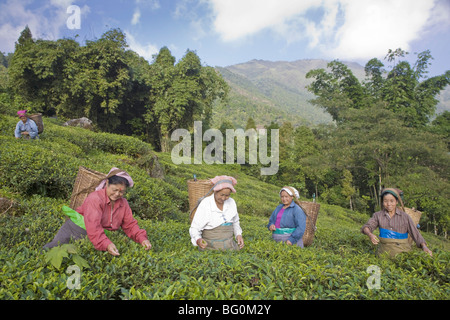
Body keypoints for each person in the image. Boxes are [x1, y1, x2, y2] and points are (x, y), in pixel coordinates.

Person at [43, 167, 151, 256]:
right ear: (107, 183)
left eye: (122, 191)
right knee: (53, 250)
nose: (118, 194)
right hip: (75, 229)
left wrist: (142, 239)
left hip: (96, 236)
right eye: (115, 190)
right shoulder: (95, 198)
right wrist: (106, 244)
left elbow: (130, 225)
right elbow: (93, 225)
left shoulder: (123, 204)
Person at [361, 188, 432, 257]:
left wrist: (424, 247)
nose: (389, 204)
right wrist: (370, 235)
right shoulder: (378, 215)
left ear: (396, 202)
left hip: (403, 254)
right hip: (383, 254)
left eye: (392, 201)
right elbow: (367, 227)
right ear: (382, 202)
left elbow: (415, 234)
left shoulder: (405, 217)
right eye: (385, 201)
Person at [189, 175, 244, 251]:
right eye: (221, 195)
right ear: (215, 191)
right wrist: (198, 239)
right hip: (210, 247)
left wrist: (238, 235)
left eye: (227, 195)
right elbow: (195, 227)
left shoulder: (231, 202)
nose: (223, 198)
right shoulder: (206, 203)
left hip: (229, 246)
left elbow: (235, 222)